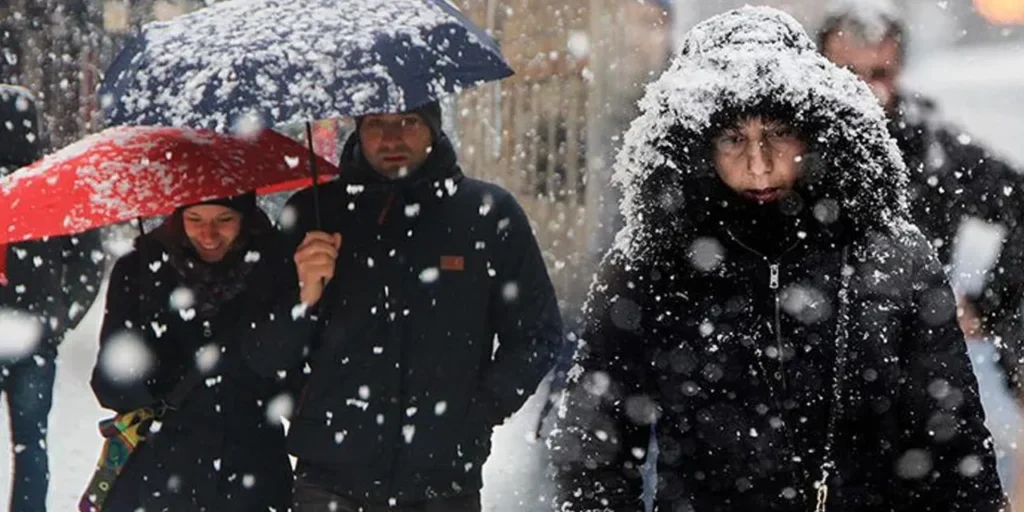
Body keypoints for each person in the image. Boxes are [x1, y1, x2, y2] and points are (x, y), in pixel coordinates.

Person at [550, 7, 1007, 511]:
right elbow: (593, 456)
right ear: (695, 145)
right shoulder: (648, 266)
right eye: (732, 138)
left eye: (778, 133)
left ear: (815, 131)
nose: (759, 162)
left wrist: (990, 304)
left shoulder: (893, 256)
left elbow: (955, 455)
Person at [242, 101, 564, 511]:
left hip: (443, 483)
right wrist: (304, 298)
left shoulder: (487, 214)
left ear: (433, 128)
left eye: (408, 122)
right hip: (329, 480)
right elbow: (261, 355)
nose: (391, 138)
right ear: (357, 129)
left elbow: (536, 334)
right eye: (376, 123)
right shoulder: (313, 214)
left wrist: (477, 413)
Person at [817, 0, 1024, 392]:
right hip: (810, 363)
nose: (863, 89)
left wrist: (990, 305)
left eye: (878, 73)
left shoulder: (935, 148)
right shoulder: (786, 146)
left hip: (914, 368)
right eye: (847, 73)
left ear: (898, 71)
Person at [90, 194, 295, 511]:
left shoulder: (277, 268)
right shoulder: (140, 270)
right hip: (163, 477)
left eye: (224, 220)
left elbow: (290, 379)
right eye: (195, 219)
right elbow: (109, 388)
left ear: (246, 218)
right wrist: (141, 364)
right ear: (178, 218)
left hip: (253, 479)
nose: (209, 234)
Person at [0, 84, 105, 512]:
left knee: (30, 444)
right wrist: (59, 318)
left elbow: (87, 263)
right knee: (30, 444)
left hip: (34, 331)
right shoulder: (56, 188)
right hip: (35, 332)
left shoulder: (53, 188)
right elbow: (88, 263)